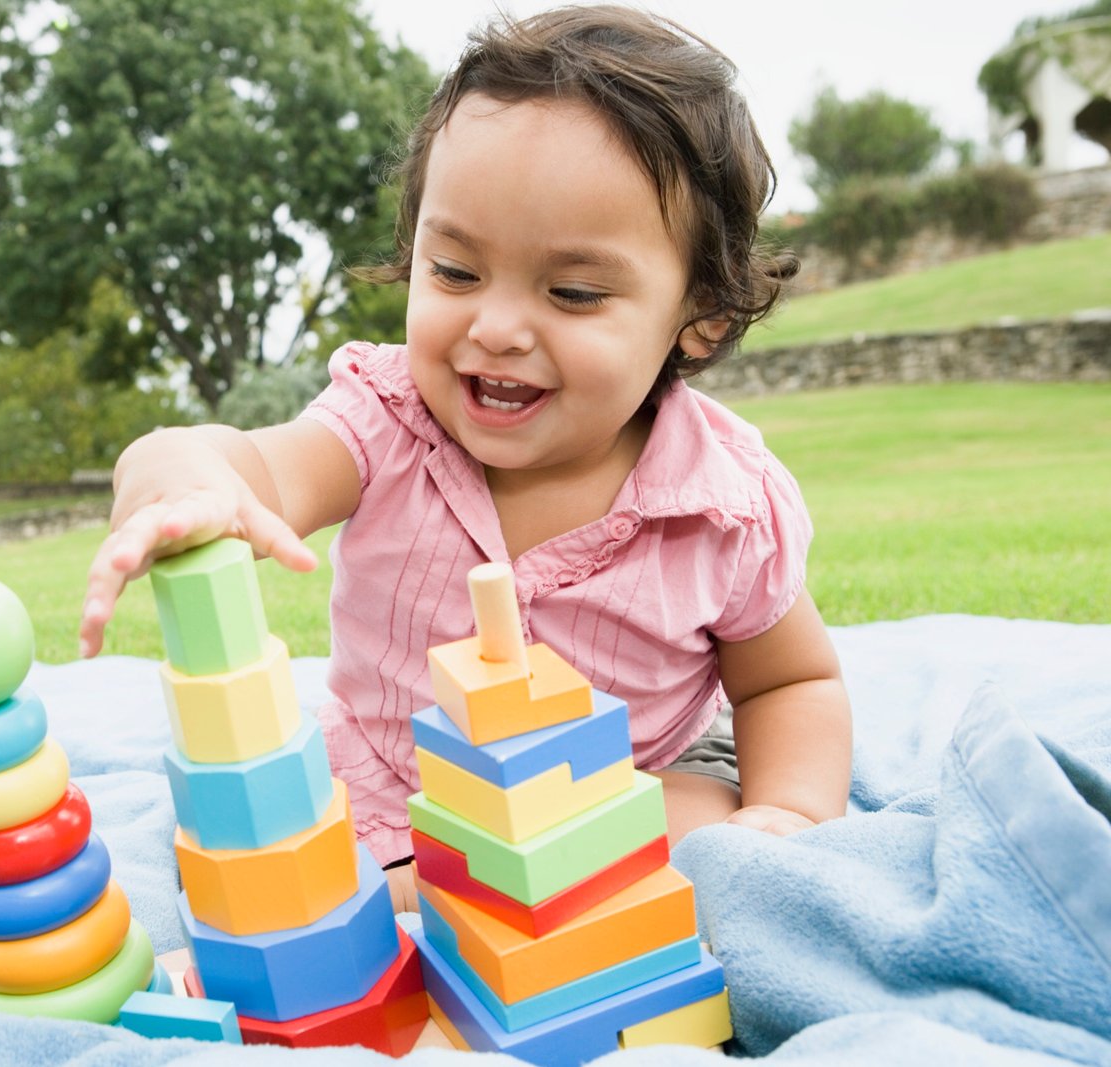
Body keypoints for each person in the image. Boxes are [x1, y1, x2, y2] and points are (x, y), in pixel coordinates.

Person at [78, 4, 852, 912]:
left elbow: (791, 680)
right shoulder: (388, 420)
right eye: (455, 272)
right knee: (295, 890)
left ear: (702, 316)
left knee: (698, 841)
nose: (495, 327)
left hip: (633, 784)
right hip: (394, 789)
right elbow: (254, 464)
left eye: (571, 291)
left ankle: (517, 896)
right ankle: (434, 901)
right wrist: (188, 481)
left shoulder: (720, 503)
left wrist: (791, 813)